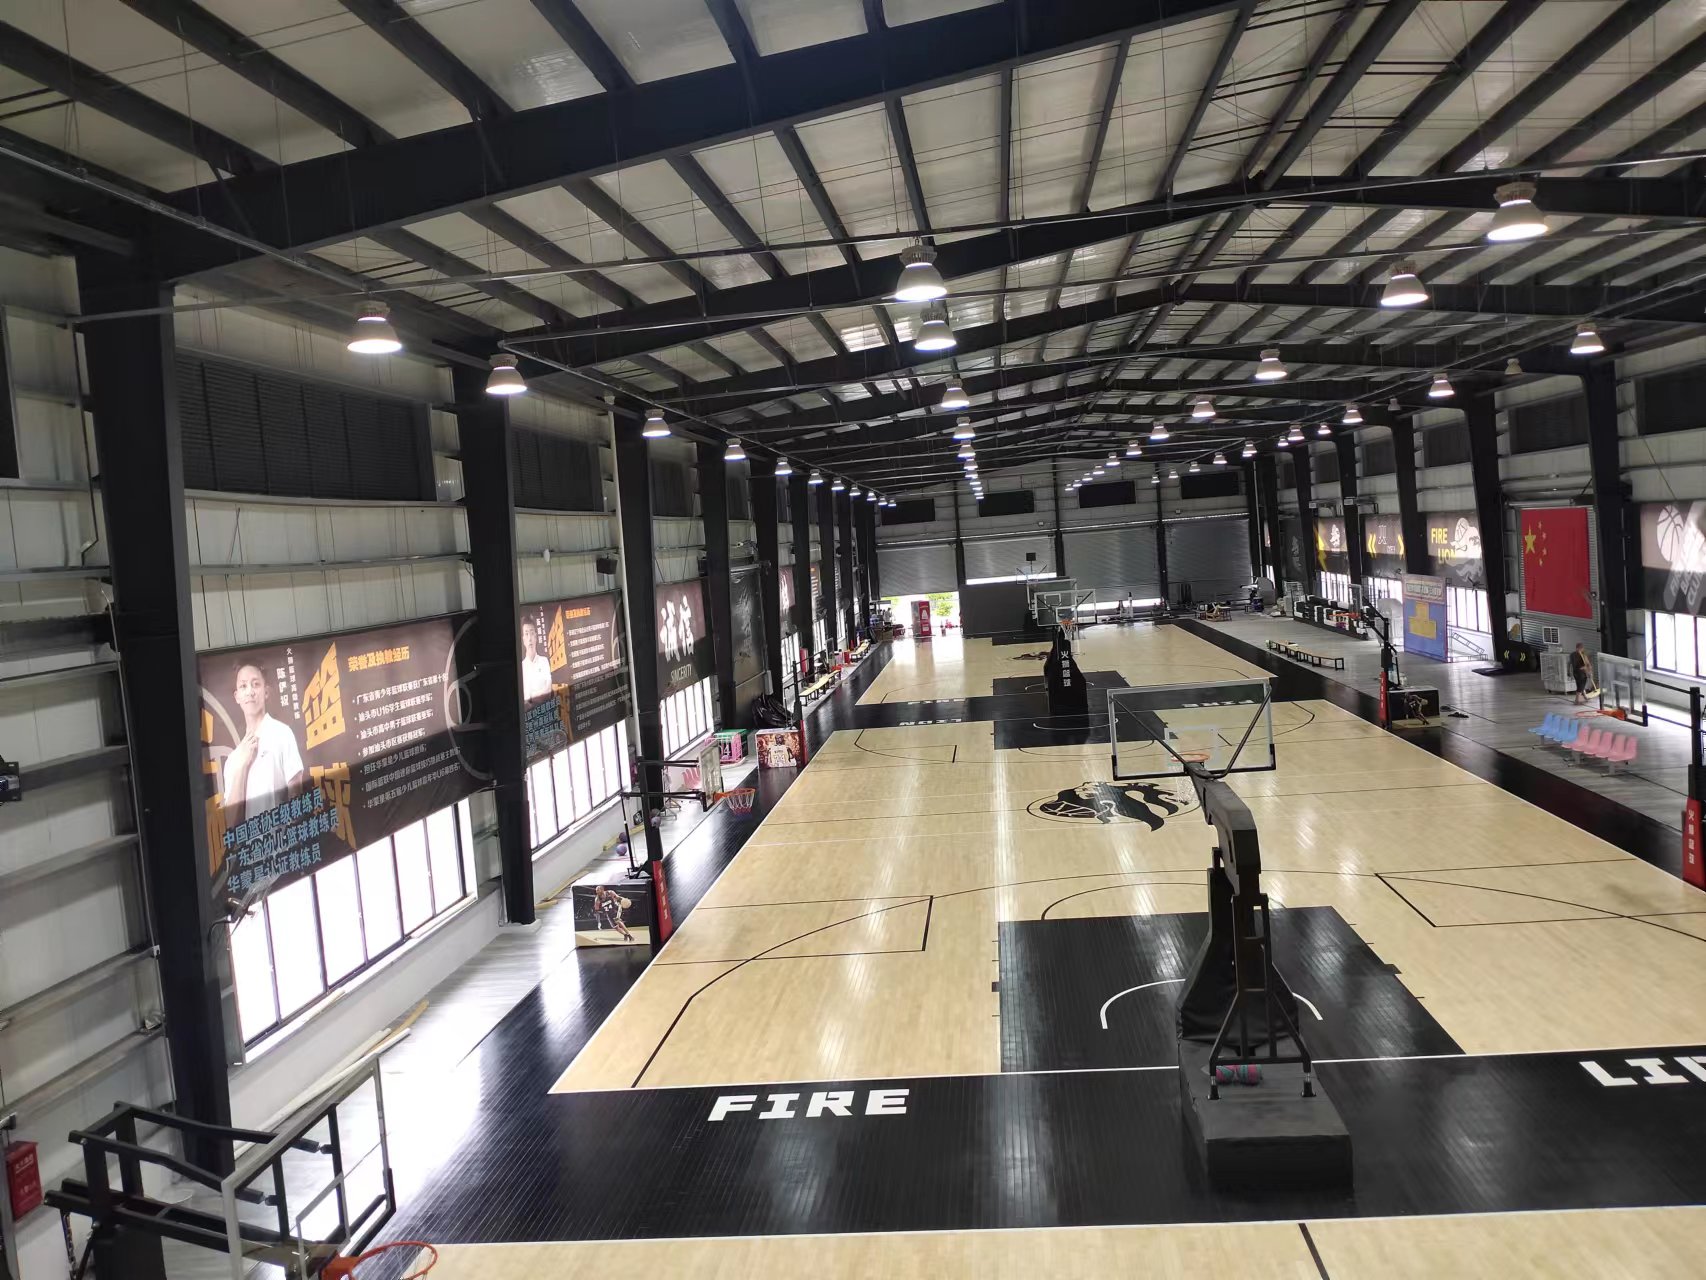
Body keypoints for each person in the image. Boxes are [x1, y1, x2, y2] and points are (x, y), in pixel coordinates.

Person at [221, 664, 305, 823]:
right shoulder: (233, 759)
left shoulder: (282, 733)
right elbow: (230, 822)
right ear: (237, 696)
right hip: (250, 839)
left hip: (283, 837)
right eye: (243, 686)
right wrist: (242, 767)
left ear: (266, 692)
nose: (250, 691)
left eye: (255, 684)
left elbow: (296, 798)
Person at [520, 616, 553, 702]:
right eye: (526, 634)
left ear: (536, 637)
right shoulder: (521, 667)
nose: (529, 638)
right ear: (523, 640)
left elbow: (548, 692)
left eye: (531, 633)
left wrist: (531, 696)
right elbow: (525, 699)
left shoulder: (544, 661)